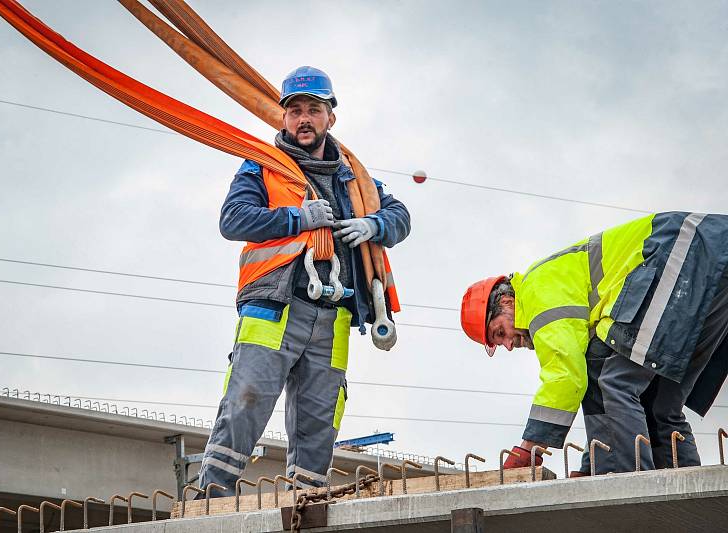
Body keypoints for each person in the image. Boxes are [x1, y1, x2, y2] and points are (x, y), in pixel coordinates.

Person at [196, 66, 410, 494]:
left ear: (331, 116)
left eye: (314, 109)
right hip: (275, 307)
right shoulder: (263, 167)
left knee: (320, 417)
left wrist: (374, 225)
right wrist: (298, 218)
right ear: (283, 118)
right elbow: (233, 219)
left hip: (333, 315)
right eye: (295, 111)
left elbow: (400, 215)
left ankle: (309, 497)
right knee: (246, 399)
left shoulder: (357, 177)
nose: (304, 119)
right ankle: (213, 494)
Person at [461, 212, 728, 474]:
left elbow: (566, 375)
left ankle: (632, 495)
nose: (509, 344)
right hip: (709, 256)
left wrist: (529, 447)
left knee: (616, 381)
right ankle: (683, 499)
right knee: (657, 405)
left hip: (684, 253)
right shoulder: (557, 288)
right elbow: (596, 385)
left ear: (506, 302)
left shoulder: (535, 294)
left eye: (500, 333)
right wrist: (593, 465)